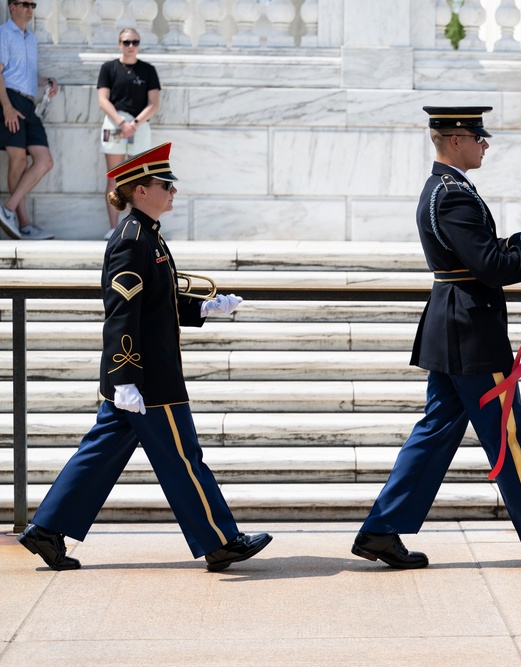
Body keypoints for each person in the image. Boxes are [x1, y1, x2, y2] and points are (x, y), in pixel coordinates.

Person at [352, 106, 521, 569]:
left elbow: (478, 255)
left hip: (455, 325)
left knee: (434, 433)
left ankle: (381, 531)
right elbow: (493, 268)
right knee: (507, 433)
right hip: (469, 331)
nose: (484, 143)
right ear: (454, 141)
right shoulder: (453, 196)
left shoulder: (446, 189)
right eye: (477, 136)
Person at [18, 143, 272, 572]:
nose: (172, 190)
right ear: (139, 191)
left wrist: (202, 307)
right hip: (147, 377)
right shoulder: (133, 240)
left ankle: (46, 530)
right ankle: (221, 540)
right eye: (164, 184)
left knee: (99, 454)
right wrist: (124, 378)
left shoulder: (147, 232)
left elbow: (158, 301)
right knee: (183, 457)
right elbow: (122, 314)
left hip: (142, 375)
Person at [0, 0, 56, 240]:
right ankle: (23, 223)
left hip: (29, 102)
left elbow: (26, 73)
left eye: (32, 4)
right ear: (11, 7)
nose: (30, 8)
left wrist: (46, 81)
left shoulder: (31, 39)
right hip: (9, 99)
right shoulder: (3, 33)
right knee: (19, 159)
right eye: (24, 4)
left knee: (44, 161)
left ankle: (7, 209)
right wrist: (6, 108)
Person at [98, 27, 160, 240]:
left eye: (134, 42)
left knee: (140, 179)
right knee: (114, 176)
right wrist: (121, 122)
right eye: (126, 42)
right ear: (119, 44)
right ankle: (113, 228)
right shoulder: (109, 68)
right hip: (115, 125)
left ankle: (137, 227)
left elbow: (154, 103)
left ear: (139, 44)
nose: (130, 46)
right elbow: (103, 99)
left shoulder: (148, 70)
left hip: (139, 126)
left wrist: (134, 123)